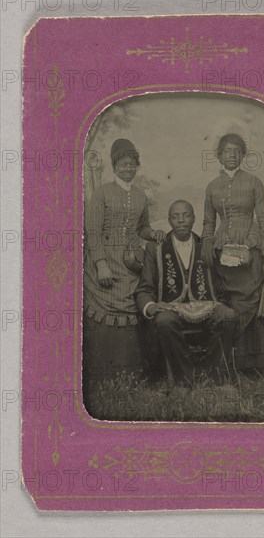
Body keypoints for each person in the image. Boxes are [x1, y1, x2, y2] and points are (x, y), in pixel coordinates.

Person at [82, 138, 166, 409]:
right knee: (108, 312)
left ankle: (129, 375)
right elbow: (93, 231)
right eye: (122, 164)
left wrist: (152, 233)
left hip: (131, 262)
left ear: (137, 166)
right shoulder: (103, 193)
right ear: (114, 165)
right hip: (105, 259)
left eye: (132, 163)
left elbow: (142, 228)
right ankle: (103, 377)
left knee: (132, 309)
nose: (128, 168)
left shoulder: (141, 195)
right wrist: (100, 264)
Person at [201, 133, 264, 368]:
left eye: (236, 151)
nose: (231, 155)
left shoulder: (254, 182)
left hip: (251, 249)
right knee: (226, 305)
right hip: (222, 253)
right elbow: (208, 222)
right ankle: (230, 364)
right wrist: (207, 244)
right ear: (219, 156)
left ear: (242, 155)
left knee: (254, 303)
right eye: (227, 151)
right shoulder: (211, 187)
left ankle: (256, 364)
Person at [135, 200, 236, 385]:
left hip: (205, 305)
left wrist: (220, 301)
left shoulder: (206, 245)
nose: (181, 221)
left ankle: (212, 374)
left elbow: (219, 284)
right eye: (175, 216)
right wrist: (150, 306)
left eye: (186, 215)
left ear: (194, 218)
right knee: (164, 321)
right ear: (169, 220)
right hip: (171, 308)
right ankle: (184, 378)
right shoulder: (155, 248)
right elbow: (144, 288)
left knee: (227, 315)